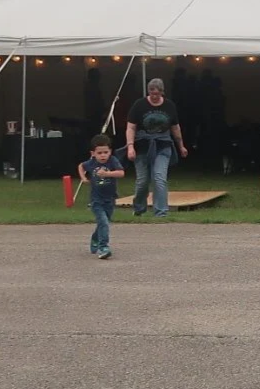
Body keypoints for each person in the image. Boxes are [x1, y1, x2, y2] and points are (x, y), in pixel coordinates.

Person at [125, 78, 188, 218]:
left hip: (162, 145)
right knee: (142, 181)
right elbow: (131, 127)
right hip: (142, 145)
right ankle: (139, 208)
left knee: (159, 177)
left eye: (157, 94)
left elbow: (175, 128)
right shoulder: (139, 105)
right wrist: (130, 147)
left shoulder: (169, 106)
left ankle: (161, 212)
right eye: (151, 93)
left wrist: (181, 146)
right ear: (148, 92)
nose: (154, 97)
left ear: (161, 92)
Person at [78, 134, 125, 259]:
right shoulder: (91, 163)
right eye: (100, 153)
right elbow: (81, 166)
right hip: (96, 200)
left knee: (104, 223)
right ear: (93, 153)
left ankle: (95, 238)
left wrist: (107, 173)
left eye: (106, 152)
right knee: (103, 222)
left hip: (110, 199)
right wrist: (83, 178)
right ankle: (103, 247)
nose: (103, 155)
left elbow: (121, 173)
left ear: (110, 151)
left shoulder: (113, 161)